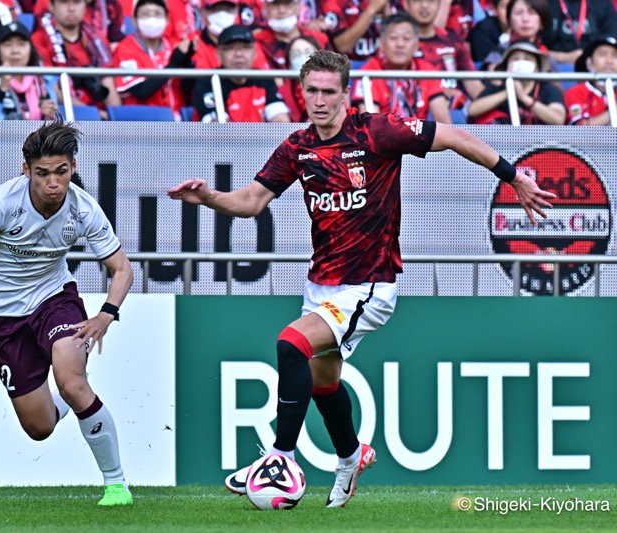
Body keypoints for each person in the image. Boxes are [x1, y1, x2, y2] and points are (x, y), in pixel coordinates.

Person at [168, 49, 555, 508]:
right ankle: (351, 459)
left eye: (328, 92)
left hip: (370, 284)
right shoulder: (298, 147)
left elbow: (450, 135)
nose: (318, 100)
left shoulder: (377, 132)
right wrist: (209, 197)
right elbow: (252, 202)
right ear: (300, 91)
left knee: (290, 344)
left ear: (346, 94)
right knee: (323, 382)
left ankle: (279, 456)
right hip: (322, 285)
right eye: (310, 90)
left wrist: (512, 177)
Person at [0, 120, 135, 507]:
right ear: (26, 171)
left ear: (73, 167)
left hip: (54, 300)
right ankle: (68, 392)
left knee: (73, 382)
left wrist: (107, 314)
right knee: (39, 427)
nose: (53, 183)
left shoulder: (85, 209)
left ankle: (116, 484)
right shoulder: (1, 204)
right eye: (42, 174)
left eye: (61, 171)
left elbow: (123, 269)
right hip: (4, 318)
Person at [351, 13, 452, 123]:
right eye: (393, 38)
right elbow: (371, 125)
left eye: (406, 38)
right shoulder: (368, 72)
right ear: (381, 43)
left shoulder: (427, 70)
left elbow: (444, 122)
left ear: (416, 45)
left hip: (420, 137)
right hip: (382, 137)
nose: (400, 44)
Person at [31, 0, 121, 110]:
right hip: (63, 117)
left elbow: (108, 85)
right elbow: (52, 89)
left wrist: (116, 119)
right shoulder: (39, 40)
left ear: (85, 5)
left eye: (77, 2)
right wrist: (93, 115)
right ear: (51, 6)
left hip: (101, 117)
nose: (71, 8)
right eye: (64, 2)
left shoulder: (97, 40)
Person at [192, 24, 290, 122]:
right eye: (230, 48)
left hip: (260, 136)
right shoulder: (207, 81)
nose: (238, 54)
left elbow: (281, 119)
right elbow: (217, 128)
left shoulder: (264, 77)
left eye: (245, 47)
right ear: (219, 54)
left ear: (255, 53)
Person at [111, 0, 190, 117]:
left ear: (167, 19)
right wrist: (174, 63)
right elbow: (141, 91)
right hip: (142, 122)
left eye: (158, 14)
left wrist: (189, 60)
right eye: (145, 14)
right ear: (134, 19)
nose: (152, 19)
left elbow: (188, 88)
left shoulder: (174, 45)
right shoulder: (125, 48)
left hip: (178, 120)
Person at [0, 22, 59, 120]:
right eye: (7, 44)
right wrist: (0, 92)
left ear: (31, 49)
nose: (15, 51)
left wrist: (50, 118)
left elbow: (60, 126)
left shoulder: (44, 82)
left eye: (21, 44)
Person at [402, 0, 483, 109]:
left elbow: (474, 87)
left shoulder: (453, 41)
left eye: (431, 1)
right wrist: (439, 91)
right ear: (406, 4)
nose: (425, 5)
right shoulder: (400, 45)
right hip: (416, 113)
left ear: (440, 4)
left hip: (456, 110)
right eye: (418, 1)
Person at [468, 39, 565, 124]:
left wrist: (524, 98)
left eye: (527, 59)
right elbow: (472, 110)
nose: (521, 62)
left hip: (540, 142)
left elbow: (558, 119)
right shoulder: (497, 88)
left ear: (537, 68)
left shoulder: (549, 90)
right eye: (515, 59)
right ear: (507, 67)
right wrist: (509, 92)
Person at [253, 0, 329, 69]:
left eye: (287, 4)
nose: (282, 11)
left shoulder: (319, 39)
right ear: (266, 9)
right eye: (275, 5)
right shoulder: (256, 43)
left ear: (298, 7)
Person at [541, 0, 617, 64]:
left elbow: (612, 42)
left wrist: (589, 59)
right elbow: (533, 47)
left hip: (594, 69)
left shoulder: (602, 3)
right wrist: (563, 58)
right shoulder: (545, 3)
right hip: (550, 68)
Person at [565, 34, 617, 125]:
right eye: (603, 54)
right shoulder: (576, 92)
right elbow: (579, 131)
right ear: (589, 63)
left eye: (615, 55)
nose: (609, 61)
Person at [279, 34, 320, 121]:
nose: (303, 57)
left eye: (308, 52)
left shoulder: (335, 86)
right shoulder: (282, 92)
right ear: (289, 64)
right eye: (296, 54)